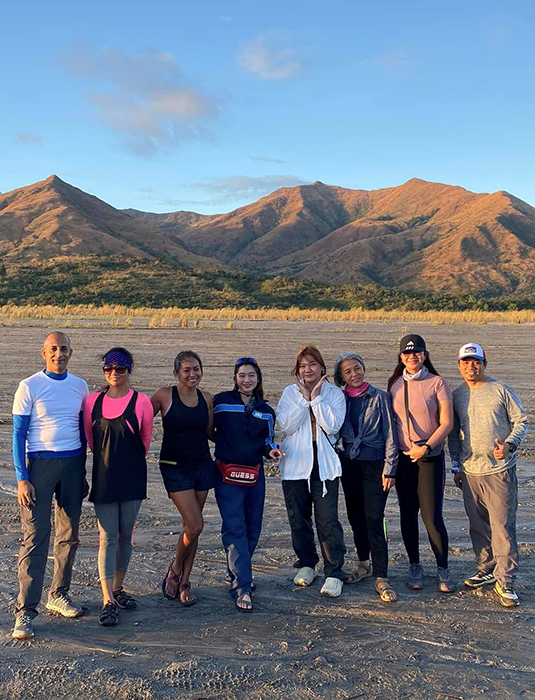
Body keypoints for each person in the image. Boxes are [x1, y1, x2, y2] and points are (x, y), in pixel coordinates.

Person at [12, 331, 89, 640]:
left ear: (71, 352)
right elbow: (18, 435)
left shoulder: (79, 386)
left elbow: (82, 433)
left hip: (72, 465)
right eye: (54, 349)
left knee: (69, 534)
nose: (60, 354)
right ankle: (25, 613)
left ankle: (58, 593)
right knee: (35, 536)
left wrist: (82, 471)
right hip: (40, 464)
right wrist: (22, 478)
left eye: (65, 349)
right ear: (43, 352)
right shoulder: (29, 386)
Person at [449, 342, 528, 607]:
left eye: (476, 362)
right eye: (466, 362)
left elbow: (521, 421)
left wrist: (509, 445)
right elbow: (454, 433)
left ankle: (505, 581)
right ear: (459, 365)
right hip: (470, 472)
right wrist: (456, 466)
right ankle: (485, 569)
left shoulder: (500, 389)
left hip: (499, 472)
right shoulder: (457, 395)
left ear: (484, 363)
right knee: (478, 526)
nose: (471, 366)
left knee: (502, 527)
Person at [83, 347, 154, 626]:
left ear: (129, 371)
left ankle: (117, 588)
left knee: (126, 536)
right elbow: (90, 439)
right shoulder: (92, 402)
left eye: (120, 369)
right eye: (109, 369)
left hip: (133, 478)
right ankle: (107, 601)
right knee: (107, 537)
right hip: (105, 479)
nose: (114, 373)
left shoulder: (141, 402)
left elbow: (145, 440)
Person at [213, 357, 284, 612]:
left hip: (254, 477)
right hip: (226, 476)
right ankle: (242, 586)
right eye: (242, 375)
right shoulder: (220, 403)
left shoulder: (266, 410)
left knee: (253, 528)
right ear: (235, 378)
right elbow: (208, 428)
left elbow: (268, 442)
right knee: (234, 528)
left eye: (251, 375)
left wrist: (272, 452)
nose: (246, 380)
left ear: (258, 378)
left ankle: (237, 573)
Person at [276, 346, 348, 598]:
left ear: (322, 368)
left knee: (327, 519)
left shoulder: (334, 394)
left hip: (325, 464)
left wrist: (316, 398)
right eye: (302, 366)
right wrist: (303, 398)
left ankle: (334, 571)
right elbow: (285, 425)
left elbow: (332, 425)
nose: (307, 370)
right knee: (299, 517)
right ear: (297, 370)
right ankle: (307, 564)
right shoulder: (289, 393)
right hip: (296, 462)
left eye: (312, 365)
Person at [387, 334, 455, 592]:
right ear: (401, 357)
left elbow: (446, 422)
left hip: (429, 457)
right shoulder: (394, 384)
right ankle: (414, 565)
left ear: (425, 355)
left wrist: (426, 446)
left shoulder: (437, 383)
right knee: (407, 514)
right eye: (407, 353)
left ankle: (442, 568)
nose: (412, 357)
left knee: (431, 516)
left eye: (417, 352)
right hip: (404, 460)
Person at [334, 352, 398, 602]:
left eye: (357, 368)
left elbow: (391, 433)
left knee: (375, 517)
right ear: (341, 377)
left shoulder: (380, 397)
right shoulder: (339, 399)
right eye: (348, 371)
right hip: (348, 463)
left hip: (375, 464)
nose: (354, 374)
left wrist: (390, 468)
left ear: (364, 368)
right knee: (355, 517)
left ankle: (382, 576)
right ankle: (363, 563)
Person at [151, 350, 214, 606]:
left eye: (196, 369)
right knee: (196, 524)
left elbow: (211, 432)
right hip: (174, 466)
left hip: (202, 465)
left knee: (192, 528)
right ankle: (176, 567)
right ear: (177, 372)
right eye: (186, 370)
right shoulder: (164, 395)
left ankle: (185, 582)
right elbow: (139, 419)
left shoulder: (207, 398)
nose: (192, 374)